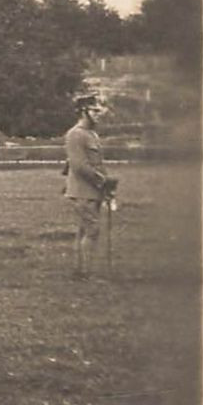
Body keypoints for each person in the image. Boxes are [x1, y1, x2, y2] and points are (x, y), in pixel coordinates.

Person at [64, 92, 117, 280]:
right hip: (82, 190)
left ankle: (80, 270)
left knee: (85, 229)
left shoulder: (91, 134)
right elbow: (79, 166)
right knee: (92, 230)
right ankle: (85, 272)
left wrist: (107, 185)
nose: (98, 114)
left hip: (93, 190)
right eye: (93, 111)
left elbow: (97, 163)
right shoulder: (75, 135)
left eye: (98, 110)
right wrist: (102, 180)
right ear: (83, 112)